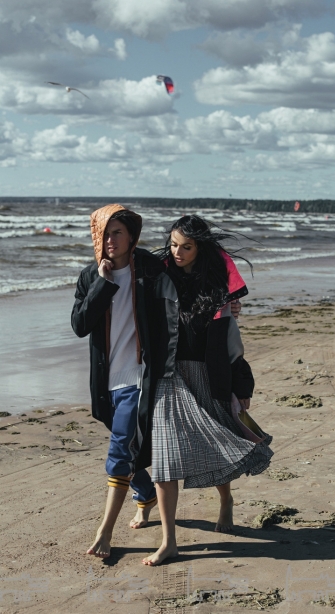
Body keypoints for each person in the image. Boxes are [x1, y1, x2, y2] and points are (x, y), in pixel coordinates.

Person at [71, 205, 242, 559]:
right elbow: (80, 325)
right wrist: (102, 284)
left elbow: (204, 258)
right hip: (108, 382)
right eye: (104, 233)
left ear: (132, 237)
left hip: (152, 375)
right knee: (129, 444)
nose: (109, 240)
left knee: (131, 450)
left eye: (117, 232)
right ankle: (145, 493)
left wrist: (227, 300)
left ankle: (108, 533)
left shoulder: (148, 269)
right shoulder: (90, 276)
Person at [142, 214, 273, 566]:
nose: (178, 252)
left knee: (215, 443)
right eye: (173, 245)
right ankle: (169, 541)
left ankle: (225, 499)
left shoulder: (218, 288)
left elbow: (232, 343)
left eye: (186, 246)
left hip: (205, 375)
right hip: (167, 377)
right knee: (165, 460)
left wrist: (241, 383)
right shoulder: (158, 275)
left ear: (200, 247)